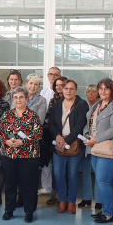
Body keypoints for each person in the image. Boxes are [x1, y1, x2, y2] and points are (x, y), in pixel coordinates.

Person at [84, 78, 113, 223]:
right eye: (100, 88)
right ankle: (104, 210)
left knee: (103, 181)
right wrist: (87, 137)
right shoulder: (97, 104)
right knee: (102, 181)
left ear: (112, 90)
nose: (103, 92)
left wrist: (96, 139)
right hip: (96, 147)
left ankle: (109, 214)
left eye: (106, 89)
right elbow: (89, 123)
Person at [0, 86, 42, 223]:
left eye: (21, 97)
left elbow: (38, 134)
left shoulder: (33, 116)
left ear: (27, 99)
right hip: (9, 154)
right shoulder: (7, 115)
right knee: (10, 183)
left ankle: (29, 211)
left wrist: (23, 142)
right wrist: (7, 141)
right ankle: (9, 210)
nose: (18, 100)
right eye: (15, 97)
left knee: (27, 184)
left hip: (29, 156)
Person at [48, 79, 89, 215]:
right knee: (58, 174)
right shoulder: (56, 105)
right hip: (59, 143)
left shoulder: (82, 104)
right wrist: (58, 137)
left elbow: (80, 124)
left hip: (74, 144)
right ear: (62, 90)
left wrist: (68, 140)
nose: (68, 91)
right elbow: (52, 124)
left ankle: (71, 202)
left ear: (76, 90)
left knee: (72, 174)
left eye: (71, 88)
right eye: (66, 88)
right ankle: (62, 200)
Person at [41, 76, 67, 204]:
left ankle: (62, 196)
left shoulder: (69, 101)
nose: (59, 87)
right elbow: (49, 117)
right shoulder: (52, 100)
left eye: (61, 85)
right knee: (53, 165)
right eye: (57, 85)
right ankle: (56, 194)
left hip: (65, 137)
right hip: (51, 135)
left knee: (61, 168)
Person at [38, 67, 61, 198]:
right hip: (46, 130)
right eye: (51, 74)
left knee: (57, 162)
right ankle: (46, 186)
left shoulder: (63, 93)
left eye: (56, 74)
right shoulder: (44, 91)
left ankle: (57, 193)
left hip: (59, 131)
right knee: (46, 159)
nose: (53, 76)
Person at [79, 84, 101, 210]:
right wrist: (86, 137)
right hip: (85, 142)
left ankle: (99, 200)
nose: (90, 94)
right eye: (88, 91)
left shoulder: (101, 105)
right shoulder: (83, 105)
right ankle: (86, 198)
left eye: (93, 91)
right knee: (85, 172)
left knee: (98, 173)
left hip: (97, 142)